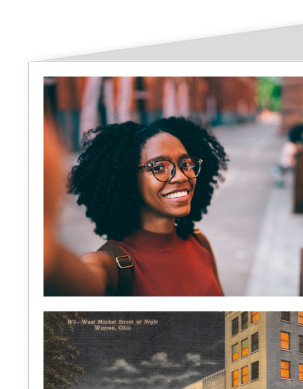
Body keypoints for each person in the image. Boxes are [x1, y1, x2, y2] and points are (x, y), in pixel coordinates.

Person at [47, 116, 227, 296]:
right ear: (130, 181)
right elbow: (73, 279)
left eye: (186, 164)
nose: (181, 176)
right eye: (159, 167)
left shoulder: (200, 243)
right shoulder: (111, 266)